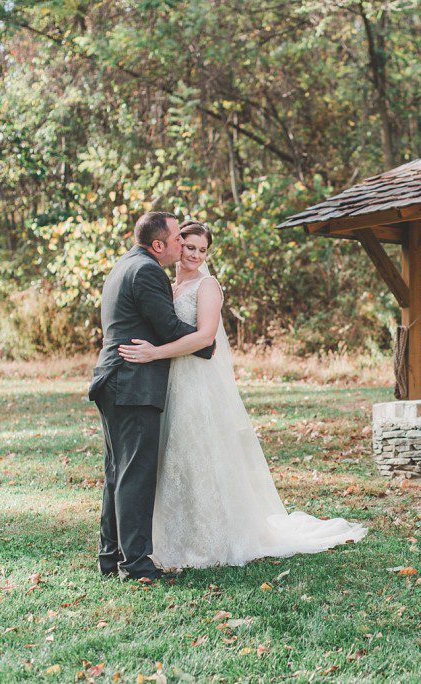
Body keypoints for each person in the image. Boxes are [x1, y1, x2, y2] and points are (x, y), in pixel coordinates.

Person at [118, 221, 367, 568]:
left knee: (198, 454)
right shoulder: (170, 286)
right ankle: (171, 538)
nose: (195, 254)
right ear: (177, 246)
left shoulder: (208, 287)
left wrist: (154, 354)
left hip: (198, 382)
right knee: (173, 458)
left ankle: (213, 540)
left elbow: (206, 338)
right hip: (171, 380)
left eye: (202, 250)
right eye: (189, 246)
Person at [88, 212, 216, 581]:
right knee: (135, 475)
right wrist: (207, 345)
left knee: (118, 473)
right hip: (132, 382)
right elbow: (169, 328)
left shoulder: (125, 264)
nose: (182, 244)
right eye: (178, 238)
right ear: (158, 244)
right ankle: (137, 564)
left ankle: (110, 558)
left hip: (117, 380)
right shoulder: (146, 272)